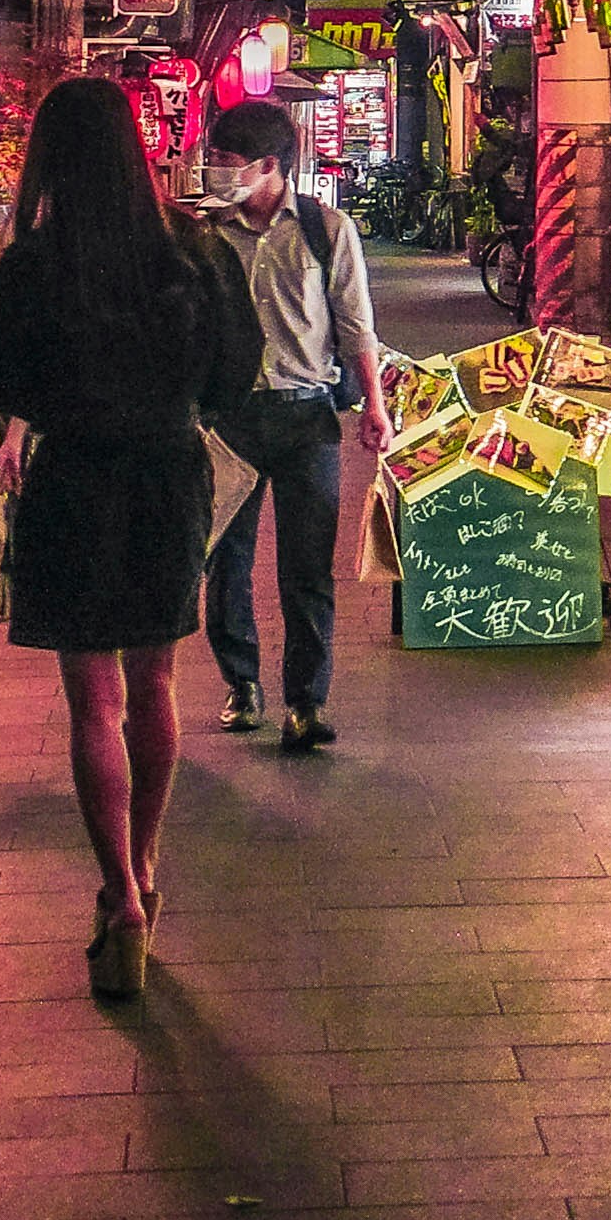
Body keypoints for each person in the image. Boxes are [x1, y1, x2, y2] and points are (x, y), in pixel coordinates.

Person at [0, 71, 255, 1000]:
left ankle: (120, 896)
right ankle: (149, 862)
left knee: (93, 704)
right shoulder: (194, 252)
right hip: (168, 474)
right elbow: (236, 370)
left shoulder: (33, 264)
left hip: (74, 480)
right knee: (157, 682)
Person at [193, 99, 387, 748]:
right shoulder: (207, 234)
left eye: (224, 161)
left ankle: (306, 701)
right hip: (229, 419)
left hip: (306, 417)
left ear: (269, 165)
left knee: (306, 568)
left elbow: (356, 323)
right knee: (227, 560)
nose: (214, 171)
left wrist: (375, 407)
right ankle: (241, 684)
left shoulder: (325, 229)